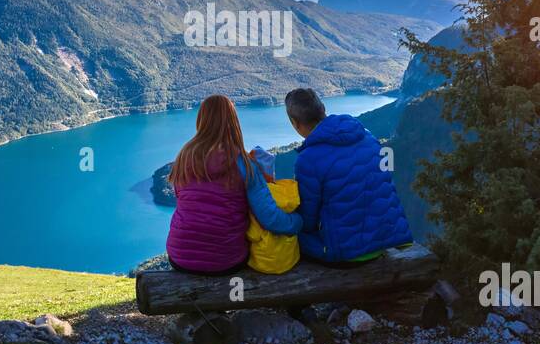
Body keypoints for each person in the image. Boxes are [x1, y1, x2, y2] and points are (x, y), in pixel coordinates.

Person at [165, 95, 302, 274]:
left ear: (201, 120)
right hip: (226, 260)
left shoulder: (184, 157)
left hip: (179, 257)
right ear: (233, 121)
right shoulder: (244, 164)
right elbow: (269, 218)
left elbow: (186, 203)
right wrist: (298, 222)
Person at [285, 88, 412, 263]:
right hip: (384, 240)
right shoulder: (367, 136)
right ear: (323, 109)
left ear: (294, 122)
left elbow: (307, 221)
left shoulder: (308, 159)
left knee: (285, 239)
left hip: (347, 254)